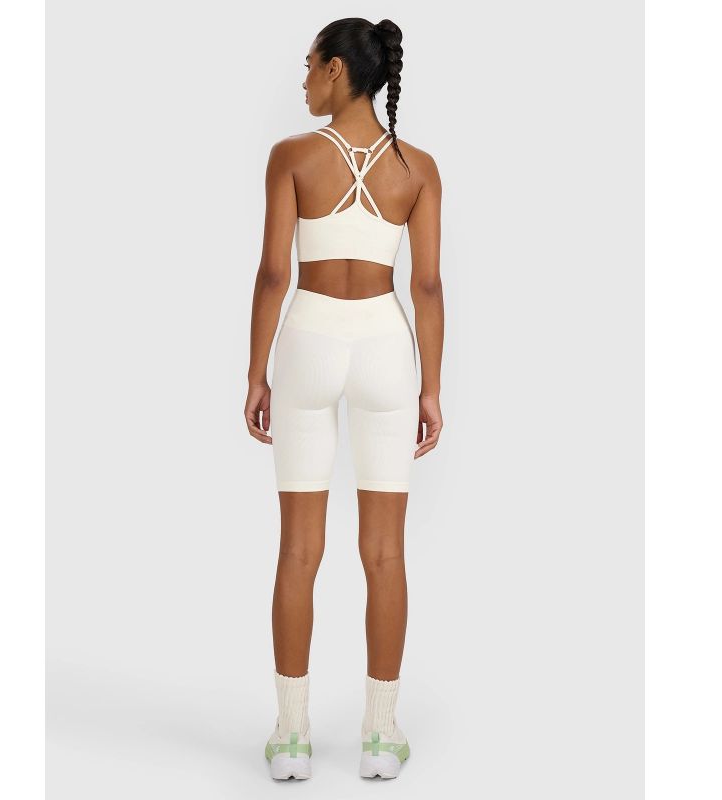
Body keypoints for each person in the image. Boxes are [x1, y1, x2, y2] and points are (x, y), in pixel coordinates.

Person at [244, 17, 444, 781]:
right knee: (385, 552)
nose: (302, 82)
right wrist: (432, 387)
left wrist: (256, 373)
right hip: (388, 348)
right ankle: (381, 735)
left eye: (308, 67)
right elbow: (427, 285)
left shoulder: (293, 157)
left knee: (299, 549)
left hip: (309, 341)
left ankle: (292, 737)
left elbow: (274, 274)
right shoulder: (417, 169)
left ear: (335, 70)